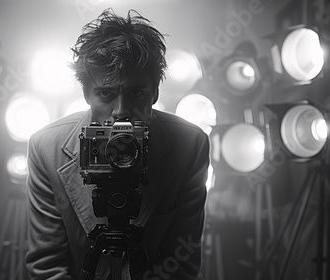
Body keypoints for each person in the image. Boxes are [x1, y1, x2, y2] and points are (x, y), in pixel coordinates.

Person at [25, 8, 209, 280]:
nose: (121, 111)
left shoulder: (190, 146)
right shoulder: (47, 148)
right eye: (106, 93)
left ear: (155, 92)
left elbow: (180, 263)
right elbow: (46, 266)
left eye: (136, 93)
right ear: (86, 93)